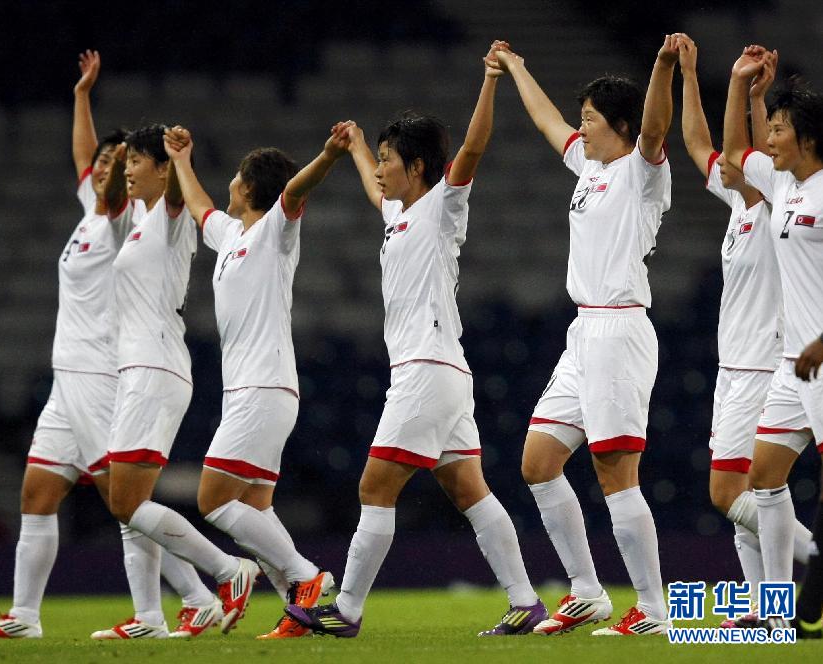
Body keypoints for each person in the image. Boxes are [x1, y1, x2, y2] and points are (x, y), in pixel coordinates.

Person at [287, 44, 546, 638]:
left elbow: (472, 148)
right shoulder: (400, 214)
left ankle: (346, 609)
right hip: (442, 369)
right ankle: (526, 602)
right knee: (469, 490)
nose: (380, 170)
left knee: (374, 486)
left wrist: (490, 80)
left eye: (388, 159)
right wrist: (357, 147)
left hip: (425, 369)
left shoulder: (442, 205)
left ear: (420, 166)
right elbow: (375, 194)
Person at [0, 51, 219, 640]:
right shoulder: (90, 215)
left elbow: (111, 179)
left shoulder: (124, 217)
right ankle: (25, 616)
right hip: (67, 378)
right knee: (37, 493)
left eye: (119, 161)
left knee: (124, 501)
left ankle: (195, 595)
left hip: (103, 372)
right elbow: (84, 156)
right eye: (107, 161)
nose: (104, 168)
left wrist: (135, 158)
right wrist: (82, 96)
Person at [490, 35, 680, 636]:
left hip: (620, 329)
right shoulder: (590, 168)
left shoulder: (641, 171)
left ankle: (652, 608)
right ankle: (587, 592)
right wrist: (517, 66)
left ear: (620, 126)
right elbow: (547, 122)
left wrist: (662, 65)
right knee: (538, 462)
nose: (581, 128)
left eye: (592, 118)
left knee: (615, 475)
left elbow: (655, 126)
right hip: (584, 332)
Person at [161, 121, 353, 638]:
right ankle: (299, 612)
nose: (229, 182)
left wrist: (328, 156)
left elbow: (294, 192)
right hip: (254, 390)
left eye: (236, 175)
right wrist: (181, 159)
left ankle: (305, 576)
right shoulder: (231, 234)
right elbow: (200, 207)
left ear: (247, 187)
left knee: (213, 500)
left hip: (263, 388)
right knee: (252, 506)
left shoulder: (274, 231)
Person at [88, 122, 259, 640]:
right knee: (129, 505)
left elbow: (181, 194)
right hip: (141, 368)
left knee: (125, 502)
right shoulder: (142, 217)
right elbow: (105, 196)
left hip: (155, 367)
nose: (127, 169)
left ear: (162, 170)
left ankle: (228, 571)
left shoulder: (169, 211)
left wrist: (180, 155)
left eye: (137, 161)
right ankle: (155, 615)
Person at [678, 37, 813, 628]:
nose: (729, 166)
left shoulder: (779, 204)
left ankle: (808, 566)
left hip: (765, 363)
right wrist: (690, 74)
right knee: (747, 498)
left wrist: (750, 95)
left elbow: (749, 151)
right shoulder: (741, 205)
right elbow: (698, 143)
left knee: (730, 493)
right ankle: (764, 607)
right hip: (733, 364)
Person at [723, 45, 823, 633]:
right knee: (763, 477)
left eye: (781, 130)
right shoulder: (782, 184)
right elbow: (736, 153)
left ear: (807, 138)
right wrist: (745, 88)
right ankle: (777, 612)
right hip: (792, 366)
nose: (771, 139)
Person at [794, 332, 823, 638]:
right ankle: (807, 611)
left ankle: (809, 611)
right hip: (793, 361)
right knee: (762, 476)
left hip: (819, 360)